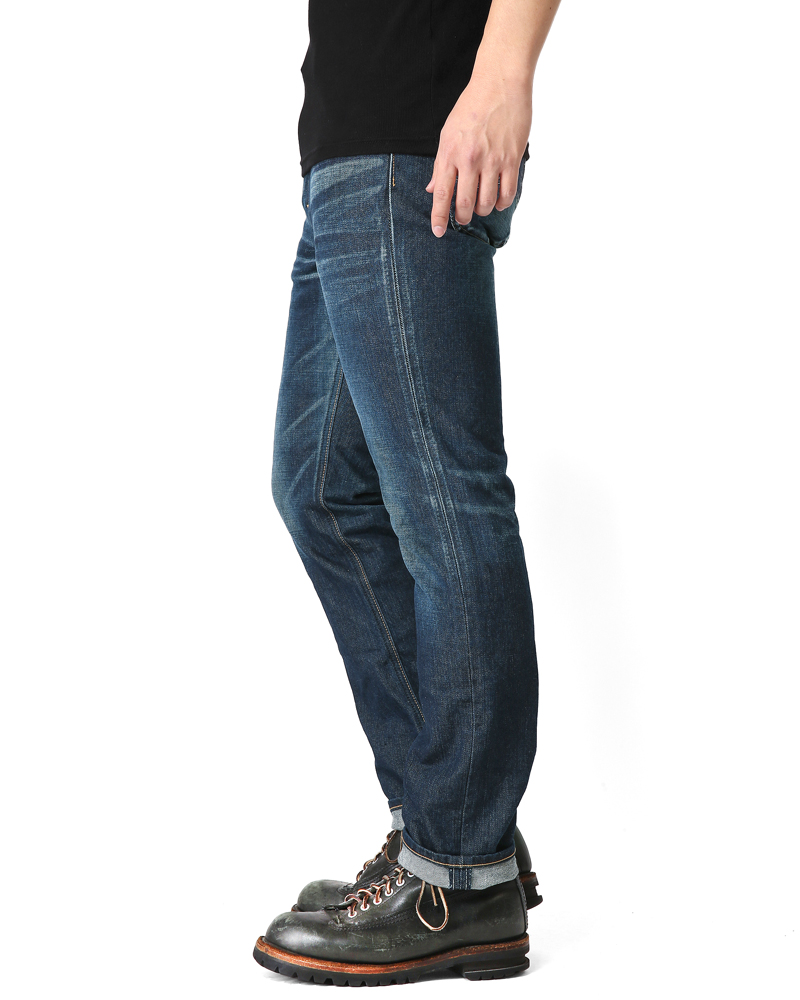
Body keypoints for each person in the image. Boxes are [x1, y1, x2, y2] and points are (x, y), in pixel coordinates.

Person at [254, 0, 562, 985]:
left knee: (445, 498)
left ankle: (459, 870)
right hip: (354, 144)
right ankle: (451, 822)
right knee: (319, 487)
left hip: (413, 133)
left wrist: (503, 73)